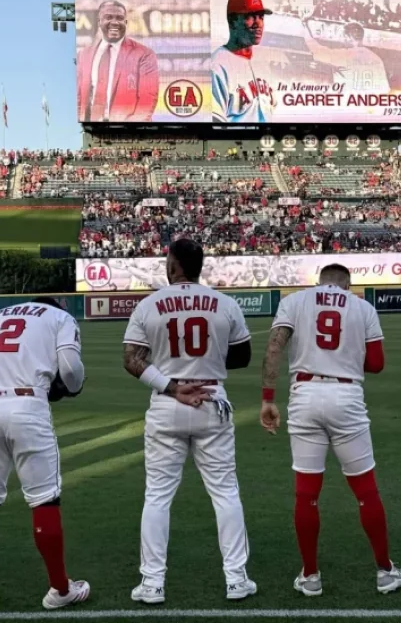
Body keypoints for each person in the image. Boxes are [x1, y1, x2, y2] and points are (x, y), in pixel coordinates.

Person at [259, 264, 401, 597]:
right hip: (346, 396)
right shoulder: (362, 306)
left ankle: (311, 576)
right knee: (366, 491)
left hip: (305, 394)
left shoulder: (296, 300)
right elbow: (376, 364)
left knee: (306, 492)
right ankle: (385, 571)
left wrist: (268, 397)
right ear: (347, 284)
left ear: (321, 281)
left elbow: (274, 348)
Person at [122, 239, 257, 603]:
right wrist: (207, 365)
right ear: (200, 266)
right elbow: (243, 356)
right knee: (225, 492)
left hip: (167, 401)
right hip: (212, 398)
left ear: (173, 264)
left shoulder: (149, 304)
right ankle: (235, 580)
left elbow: (132, 360)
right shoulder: (225, 303)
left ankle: (152, 584)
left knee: (158, 497)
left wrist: (171, 383)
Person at [0, 296, 90, 610]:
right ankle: (60, 589)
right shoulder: (60, 317)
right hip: (27, 406)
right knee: (44, 499)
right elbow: (71, 370)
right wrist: (72, 387)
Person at [76, 0, 159, 122]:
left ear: (125, 22)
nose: (114, 22)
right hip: (93, 132)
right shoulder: (84, 55)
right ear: (99, 22)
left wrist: (127, 130)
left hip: (130, 134)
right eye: (108, 17)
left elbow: (148, 99)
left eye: (119, 18)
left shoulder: (144, 54)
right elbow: (78, 96)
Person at [212, 0, 277, 123]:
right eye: (251, 17)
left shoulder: (263, 63)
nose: (258, 24)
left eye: (261, 17)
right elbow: (215, 122)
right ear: (232, 21)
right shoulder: (217, 65)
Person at [300, 20, 390, 93]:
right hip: (368, 110)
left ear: (347, 37)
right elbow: (384, 91)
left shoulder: (345, 55)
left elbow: (316, 49)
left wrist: (304, 25)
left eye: (342, 37)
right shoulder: (377, 59)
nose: (341, 40)